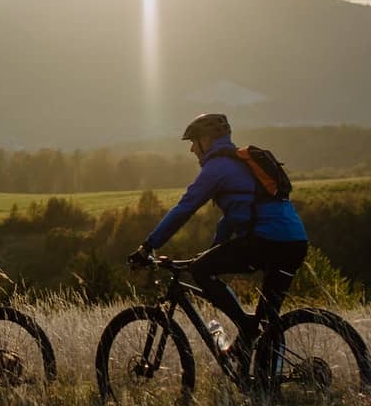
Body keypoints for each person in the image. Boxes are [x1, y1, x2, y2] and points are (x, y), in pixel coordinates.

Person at [130, 112, 308, 365]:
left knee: (201, 270)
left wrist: (149, 245)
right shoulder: (239, 163)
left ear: (207, 140)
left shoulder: (217, 168)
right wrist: (215, 249)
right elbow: (233, 218)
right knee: (267, 320)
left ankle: (245, 325)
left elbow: (185, 208)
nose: (192, 149)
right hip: (295, 241)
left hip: (267, 240)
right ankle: (264, 384)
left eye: (193, 141)